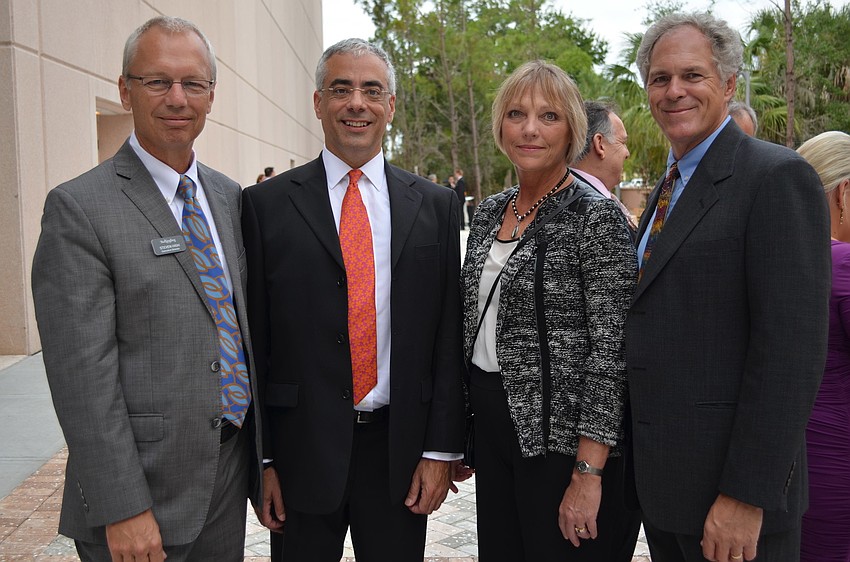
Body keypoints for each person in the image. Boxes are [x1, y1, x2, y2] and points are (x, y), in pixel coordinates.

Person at [31, 16, 262, 562]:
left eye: (193, 84)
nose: (177, 98)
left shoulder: (231, 199)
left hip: (226, 478)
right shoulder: (80, 208)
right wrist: (122, 507)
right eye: (158, 81)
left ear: (211, 95)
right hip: (142, 498)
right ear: (124, 89)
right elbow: (81, 379)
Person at [242, 38, 465, 562]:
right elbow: (256, 339)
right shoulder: (264, 205)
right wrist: (264, 460)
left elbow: (447, 338)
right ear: (318, 103)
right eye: (340, 89)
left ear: (391, 106)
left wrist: (440, 450)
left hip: (399, 454)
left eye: (371, 90)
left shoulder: (434, 206)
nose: (356, 103)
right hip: (300, 454)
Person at [628, 12, 830, 562]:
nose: (674, 92)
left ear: (729, 84)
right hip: (668, 494)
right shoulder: (667, 190)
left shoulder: (775, 178)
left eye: (692, 75)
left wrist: (746, 494)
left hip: (735, 505)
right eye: (660, 78)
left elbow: (789, 352)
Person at [460, 60, 637, 561]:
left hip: (563, 443)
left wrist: (588, 473)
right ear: (500, 126)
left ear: (572, 130)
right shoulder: (491, 211)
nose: (531, 129)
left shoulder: (595, 216)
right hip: (496, 429)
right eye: (517, 113)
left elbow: (611, 351)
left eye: (549, 116)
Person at [796, 130, 850, 562]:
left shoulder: (787, 257)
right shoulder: (842, 263)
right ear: (843, 193)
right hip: (838, 454)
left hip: (795, 456)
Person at [571, 100, 638, 232]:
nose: (627, 153)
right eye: (622, 142)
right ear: (599, 144)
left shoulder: (561, 196)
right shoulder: (599, 211)